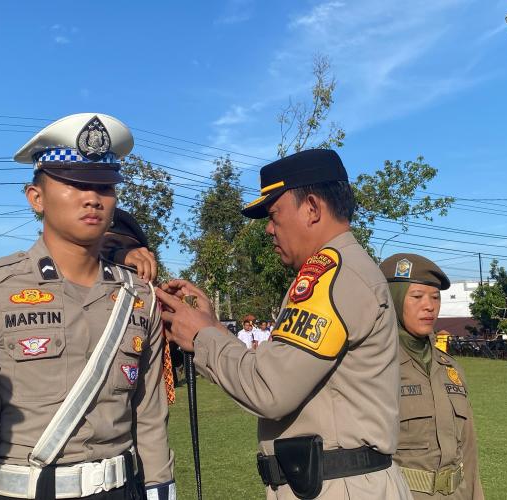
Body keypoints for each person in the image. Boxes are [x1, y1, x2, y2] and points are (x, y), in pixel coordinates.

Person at [0, 113, 175, 500]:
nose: (92, 198)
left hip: (121, 489)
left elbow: (150, 417)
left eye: (105, 186)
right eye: (74, 183)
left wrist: (162, 490)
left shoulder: (138, 296)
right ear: (36, 197)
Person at [157, 149, 410, 499]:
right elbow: (282, 370)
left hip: (340, 485)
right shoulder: (339, 271)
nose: (270, 230)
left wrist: (201, 337)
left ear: (312, 208)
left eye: (274, 215)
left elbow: (270, 389)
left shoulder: (331, 275)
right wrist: (213, 328)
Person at [379, 254, 483, 499]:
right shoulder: (376, 366)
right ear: (393, 299)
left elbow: (468, 450)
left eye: (435, 297)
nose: (429, 306)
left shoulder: (450, 368)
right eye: (417, 297)